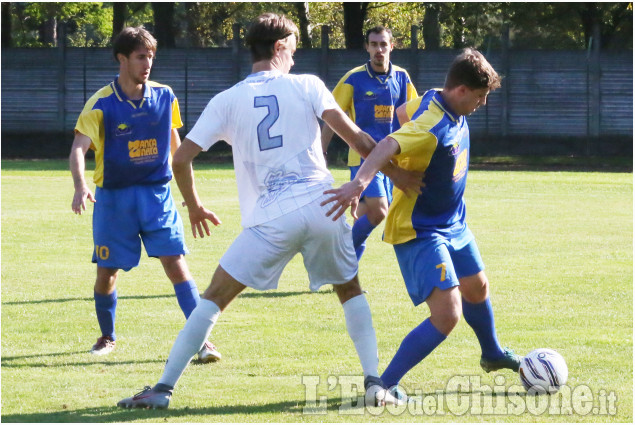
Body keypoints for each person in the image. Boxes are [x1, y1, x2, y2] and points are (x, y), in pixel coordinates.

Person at [117, 13, 422, 410]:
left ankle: (162, 389)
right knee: (349, 289)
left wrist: (193, 205)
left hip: (268, 221)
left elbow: (181, 159)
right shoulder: (308, 84)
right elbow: (361, 140)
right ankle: (372, 382)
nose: (294, 59)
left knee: (213, 298)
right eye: (292, 50)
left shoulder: (226, 100)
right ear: (279, 48)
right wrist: (397, 175)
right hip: (322, 207)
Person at [323, 48, 521, 401]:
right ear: (461, 91)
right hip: (419, 229)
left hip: (454, 223)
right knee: (447, 315)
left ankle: (491, 353)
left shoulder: (434, 98)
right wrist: (365, 183)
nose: (482, 103)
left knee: (477, 288)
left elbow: (402, 113)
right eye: (480, 97)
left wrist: (405, 166)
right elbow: (386, 144)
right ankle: (382, 386)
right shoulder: (432, 125)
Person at [69, 26, 220, 362]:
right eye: (140, 56)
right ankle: (107, 337)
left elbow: (177, 151)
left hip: (156, 197)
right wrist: (80, 186)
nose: (148, 62)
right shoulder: (101, 104)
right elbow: (79, 148)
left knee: (176, 264)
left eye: (151, 56)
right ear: (122, 59)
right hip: (114, 201)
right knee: (107, 272)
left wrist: (192, 201)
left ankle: (201, 342)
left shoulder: (165, 97)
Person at [321, 26, 418, 261]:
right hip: (363, 157)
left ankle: (341, 261)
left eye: (383, 44)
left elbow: (416, 116)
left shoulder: (402, 78)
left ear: (391, 47)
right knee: (380, 210)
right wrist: (321, 149)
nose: (379, 50)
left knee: (367, 215)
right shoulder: (353, 78)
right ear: (367, 47)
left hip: (393, 161)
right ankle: (340, 257)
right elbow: (330, 114)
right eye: (374, 44)